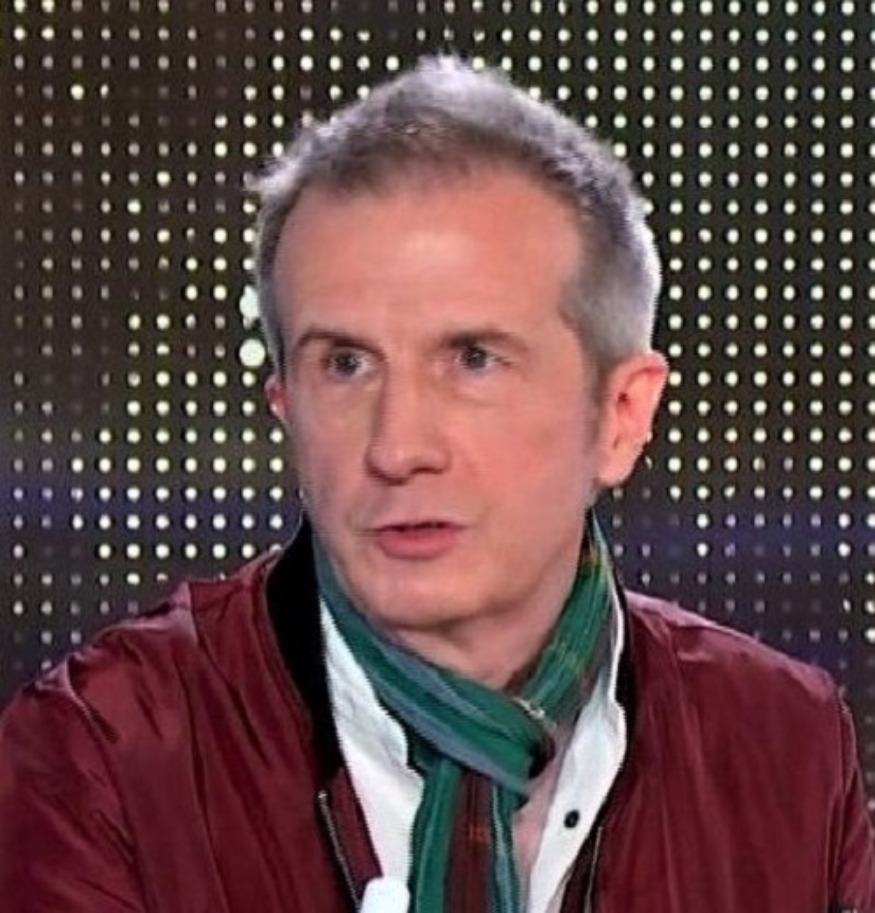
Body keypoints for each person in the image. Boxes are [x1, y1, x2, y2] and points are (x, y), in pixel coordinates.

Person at [0, 56, 872, 913]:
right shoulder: (100, 752)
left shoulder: (785, 746)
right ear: (285, 407)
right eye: (345, 364)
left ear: (619, 415)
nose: (397, 447)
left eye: (472, 358)